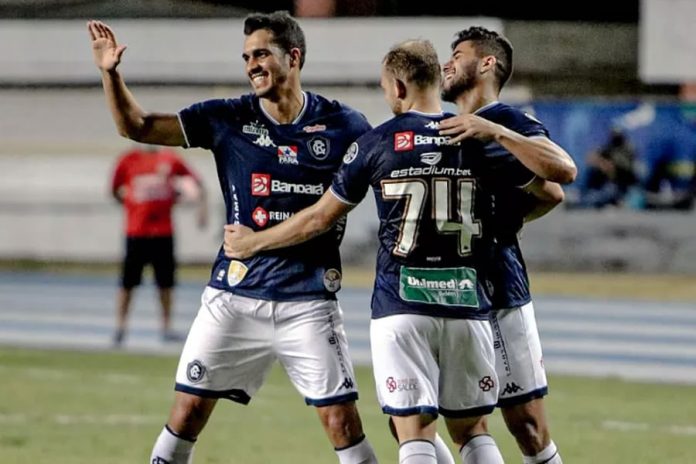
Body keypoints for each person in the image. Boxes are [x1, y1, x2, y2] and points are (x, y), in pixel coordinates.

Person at [223, 38, 564, 464]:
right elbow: (550, 189)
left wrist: (253, 242)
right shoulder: (473, 136)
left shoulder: (376, 141)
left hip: (401, 302)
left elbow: (318, 218)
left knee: (412, 430)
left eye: (386, 88)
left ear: (398, 88)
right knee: (474, 431)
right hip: (468, 301)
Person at [88, 11, 378, 464]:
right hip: (235, 296)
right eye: (246, 57)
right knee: (186, 413)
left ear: (294, 57)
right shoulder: (227, 117)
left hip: (309, 301)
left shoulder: (346, 125)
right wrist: (111, 74)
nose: (251, 65)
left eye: (262, 54)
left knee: (342, 423)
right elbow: (137, 126)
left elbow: (374, 184)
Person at [437, 26, 577, 464]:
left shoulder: (510, 121)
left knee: (527, 426)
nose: (447, 62)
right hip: (439, 288)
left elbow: (560, 178)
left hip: (496, 287)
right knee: (427, 416)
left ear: (486, 63)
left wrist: (492, 131)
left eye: (457, 54)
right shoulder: (436, 126)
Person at [110, 143, 207, 347]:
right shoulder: (129, 159)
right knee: (128, 282)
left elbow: (196, 183)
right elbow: (114, 189)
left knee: (165, 283)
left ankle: (166, 327)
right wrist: (132, 205)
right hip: (136, 231)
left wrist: (198, 206)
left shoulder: (170, 159)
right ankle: (120, 327)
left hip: (163, 231)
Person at [579, 127, 638, 208]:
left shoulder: (628, 149)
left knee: (605, 194)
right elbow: (591, 157)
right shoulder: (609, 147)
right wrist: (600, 162)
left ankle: (616, 201)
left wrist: (608, 166)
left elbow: (622, 167)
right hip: (605, 183)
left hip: (622, 184)